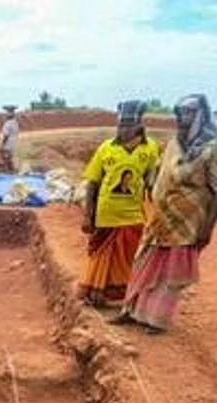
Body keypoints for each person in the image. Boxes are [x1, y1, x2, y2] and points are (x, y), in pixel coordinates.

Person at [113, 94, 217, 334]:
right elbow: (160, 174)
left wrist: (207, 228)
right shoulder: (175, 144)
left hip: (187, 222)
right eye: (181, 113)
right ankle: (132, 311)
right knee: (143, 263)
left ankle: (156, 320)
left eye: (190, 113)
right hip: (161, 218)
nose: (183, 118)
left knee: (170, 273)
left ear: (201, 115)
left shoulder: (216, 149)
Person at [78, 100, 162, 308]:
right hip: (105, 213)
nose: (123, 129)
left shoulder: (151, 149)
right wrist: (89, 215)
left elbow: (153, 181)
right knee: (100, 254)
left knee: (128, 257)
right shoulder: (106, 148)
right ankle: (97, 294)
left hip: (133, 214)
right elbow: (93, 183)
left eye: (127, 125)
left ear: (139, 126)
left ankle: (124, 297)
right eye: (120, 125)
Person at [0, 106, 19, 173]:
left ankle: (4, 174)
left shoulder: (8, 124)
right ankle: (11, 172)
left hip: (6, 146)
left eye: (7, 113)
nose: (5, 114)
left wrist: (1, 145)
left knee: (3, 162)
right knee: (9, 161)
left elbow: (6, 136)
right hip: (12, 145)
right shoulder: (15, 123)